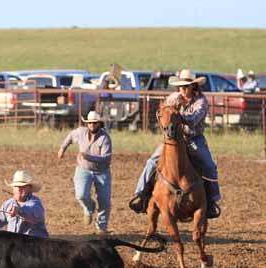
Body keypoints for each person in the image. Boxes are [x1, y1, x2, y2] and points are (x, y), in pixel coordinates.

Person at [129, 69, 221, 218]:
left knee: (209, 165)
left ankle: (212, 201)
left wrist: (176, 114)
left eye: (186, 86)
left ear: (193, 86)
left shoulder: (201, 102)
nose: (183, 89)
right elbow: (163, 112)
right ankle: (140, 194)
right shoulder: (173, 98)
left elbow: (192, 120)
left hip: (193, 139)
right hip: (172, 138)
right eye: (181, 86)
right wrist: (166, 114)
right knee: (152, 161)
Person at [58, 110, 113, 234]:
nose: (92, 125)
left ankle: (101, 227)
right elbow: (70, 137)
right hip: (83, 169)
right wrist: (62, 148)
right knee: (81, 195)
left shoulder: (105, 137)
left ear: (99, 123)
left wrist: (89, 157)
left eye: (94, 123)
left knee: (104, 200)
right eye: (90, 123)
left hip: (102, 171)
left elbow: (106, 158)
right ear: (87, 123)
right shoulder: (81, 132)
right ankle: (89, 208)